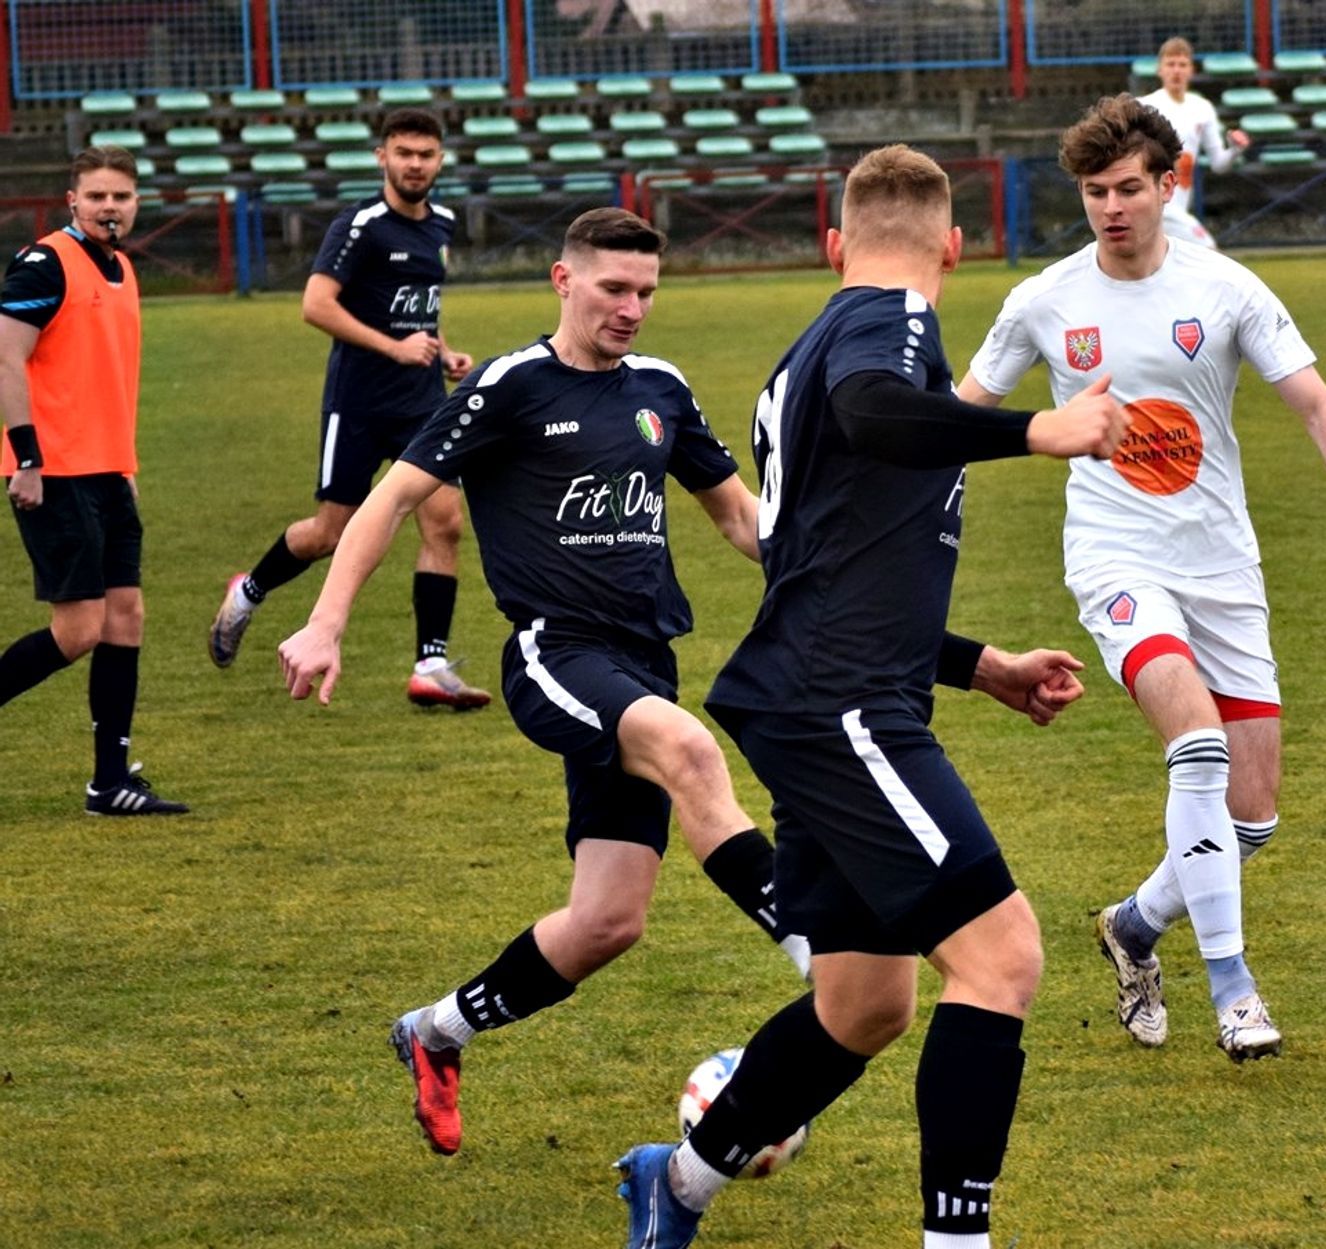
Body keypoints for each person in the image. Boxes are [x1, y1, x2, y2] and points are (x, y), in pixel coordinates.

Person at [615, 145, 1128, 1249]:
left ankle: (677, 1184)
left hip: (823, 692)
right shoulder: (887, 322)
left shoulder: (812, 349)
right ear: (959, 247)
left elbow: (832, 563)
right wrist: (1035, 429)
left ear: (832, 242)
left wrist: (978, 664)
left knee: (864, 1003)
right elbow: (875, 409)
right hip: (842, 704)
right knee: (1002, 958)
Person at [277, 207, 813, 1157]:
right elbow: (391, 498)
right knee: (692, 752)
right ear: (564, 281)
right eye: (614, 288)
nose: (632, 308)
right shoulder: (510, 385)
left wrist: (835, 582)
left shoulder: (661, 387)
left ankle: (435, 1031)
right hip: (554, 655)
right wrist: (326, 620)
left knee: (608, 920)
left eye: (646, 291)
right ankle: (822, 957)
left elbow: (738, 517)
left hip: (643, 661)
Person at [957, 94, 1326, 1063]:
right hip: (1115, 557)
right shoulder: (1044, 300)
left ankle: (1132, 925)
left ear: (1169, 185)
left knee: (1250, 817)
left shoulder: (1226, 288)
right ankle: (1233, 987)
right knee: (1198, 748)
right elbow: (958, 417)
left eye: (1129, 188)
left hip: (1221, 564)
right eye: (1095, 191)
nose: (1111, 207)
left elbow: (1314, 401)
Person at [209, 108, 491, 709]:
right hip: (359, 404)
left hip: (422, 404)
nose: (415, 165)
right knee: (329, 535)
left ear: (441, 160)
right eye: (404, 153)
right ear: (382, 157)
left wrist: (440, 351)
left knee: (445, 523)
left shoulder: (441, 223)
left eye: (426, 154)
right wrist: (394, 347)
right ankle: (249, 591)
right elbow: (316, 305)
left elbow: (415, 307)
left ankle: (430, 666)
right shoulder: (360, 225)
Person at [0, 145, 188, 816]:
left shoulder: (122, 268)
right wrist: (27, 459)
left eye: (122, 196)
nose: (110, 207)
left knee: (125, 617)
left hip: (107, 471)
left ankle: (110, 782)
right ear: (72, 201)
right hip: (53, 472)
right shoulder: (45, 262)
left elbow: (106, 379)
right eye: (98, 195)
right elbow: (6, 357)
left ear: (137, 203)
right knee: (78, 628)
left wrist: (124, 466)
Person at [1137, 36, 1250, 248]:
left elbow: (1219, 164)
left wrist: (1235, 149)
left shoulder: (1202, 108)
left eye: (1182, 65)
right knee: (1209, 251)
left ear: (1191, 70)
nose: (1176, 71)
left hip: (1179, 205)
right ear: (1159, 69)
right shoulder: (1145, 107)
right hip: (1154, 203)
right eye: (1170, 64)